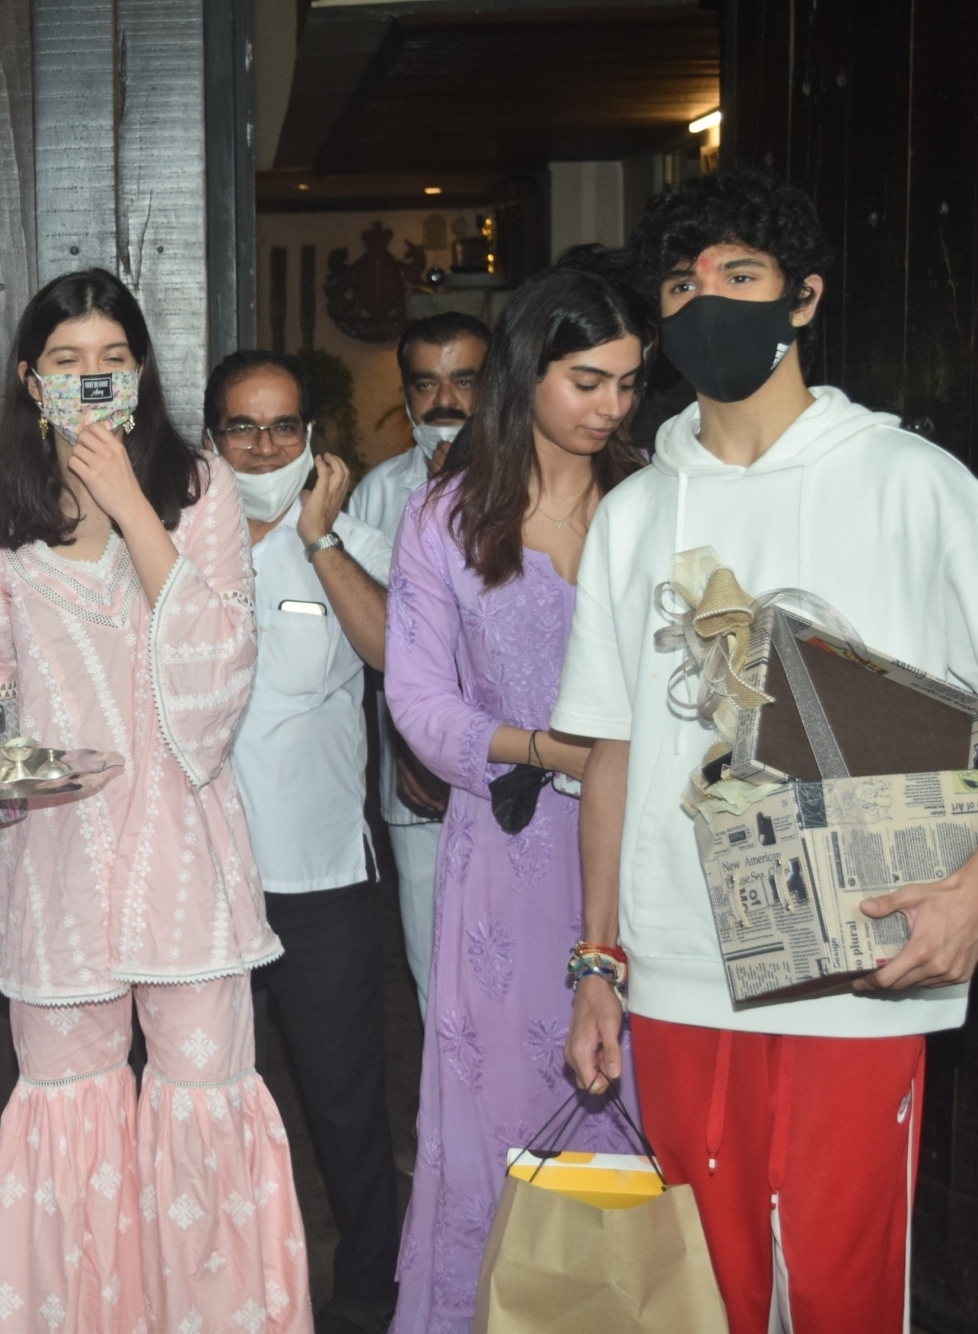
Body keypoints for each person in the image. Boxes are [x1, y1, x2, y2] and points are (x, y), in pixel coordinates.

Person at [558, 167, 978, 1334]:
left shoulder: (913, 484)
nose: (703, 303)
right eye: (678, 285)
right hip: (679, 966)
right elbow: (610, 751)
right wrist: (595, 959)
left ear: (802, 297)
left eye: (737, 276)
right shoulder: (634, 513)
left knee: (841, 1284)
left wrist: (968, 890)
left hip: (863, 956)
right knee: (706, 1290)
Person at [0, 270, 311, 1334]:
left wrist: (128, 505)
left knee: (203, 1104)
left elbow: (218, 668)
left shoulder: (200, 493)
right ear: (29, 379)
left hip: (182, 856)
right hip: (57, 867)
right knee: (66, 1116)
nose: (90, 379)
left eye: (111, 359)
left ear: (142, 372)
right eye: (65, 361)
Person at [383, 264, 650, 1333]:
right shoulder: (446, 516)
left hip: (643, 855)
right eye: (587, 381)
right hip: (503, 855)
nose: (610, 407)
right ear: (526, 371)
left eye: (628, 383)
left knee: (632, 1124)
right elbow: (415, 699)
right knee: (500, 1122)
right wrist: (543, 749)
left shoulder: (652, 500)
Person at [209, 349, 402, 1334]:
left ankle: (371, 1291)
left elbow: (395, 656)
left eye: (282, 426)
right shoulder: (172, 539)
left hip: (320, 876)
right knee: (206, 1102)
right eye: (242, 427)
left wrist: (320, 539)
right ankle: (221, 1290)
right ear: (212, 438)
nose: (263, 446)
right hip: (204, 879)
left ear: (312, 436)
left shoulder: (355, 541)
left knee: (342, 1103)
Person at [347, 311, 490, 1006]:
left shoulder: (544, 483)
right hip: (416, 776)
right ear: (405, 393)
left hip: (522, 767)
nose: (446, 402)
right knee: (435, 970)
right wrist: (408, 745)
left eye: (466, 381)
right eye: (427, 384)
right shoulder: (377, 492)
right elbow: (375, 637)